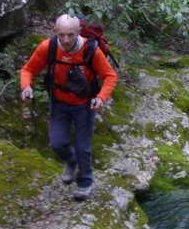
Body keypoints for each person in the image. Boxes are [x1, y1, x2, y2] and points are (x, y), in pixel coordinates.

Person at [20, 14, 118, 201]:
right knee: (56, 143)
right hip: (59, 102)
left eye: (70, 35)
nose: (65, 40)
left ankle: (85, 183)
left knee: (83, 147)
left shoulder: (91, 50)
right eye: (61, 34)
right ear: (56, 32)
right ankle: (71, 163)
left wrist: (101, 98)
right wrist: (26, 87)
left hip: (85, 104)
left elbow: (110, 75)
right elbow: (28, 69)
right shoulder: (48, 47)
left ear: (79, 32)